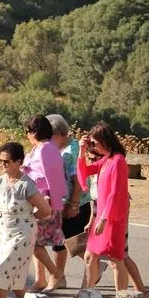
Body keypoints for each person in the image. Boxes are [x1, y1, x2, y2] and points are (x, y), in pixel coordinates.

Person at [0, 142, 53, 298]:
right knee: (13, 277)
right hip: (3, 233)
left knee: (2, 270)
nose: (2, 164)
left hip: (21, 234)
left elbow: (46, 210)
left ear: (18, 162)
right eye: (0, 160)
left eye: (6, 161)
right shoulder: (0, 181)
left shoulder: (26, 185)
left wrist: (30, 217)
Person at [77, 123, 130, 294]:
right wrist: (82, 151)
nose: (93, 147)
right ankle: (87, 296)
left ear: (104, 140)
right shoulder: (106, 159)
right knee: (90, 255)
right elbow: (85, 171)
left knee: (116, 260)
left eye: (94, 143)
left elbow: (115, 193)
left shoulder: (118, 160)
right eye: (91, 144)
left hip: (112, 217)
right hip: (102, 215)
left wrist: (103, 218)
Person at [22, 115, 68, 293]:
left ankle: (55, 273)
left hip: (44, 203)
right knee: (34, 241)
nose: (26, 135)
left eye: (28, 131)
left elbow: (53, 178)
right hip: (36, 201)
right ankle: (42, 279)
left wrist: (51, 205)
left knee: (33, 241)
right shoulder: (38, 149)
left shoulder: (46, 149)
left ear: (34, 131)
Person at [46, 114, 90, 278]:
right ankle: (58, 277)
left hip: (75, 204)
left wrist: (73, 204)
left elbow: (78, 179)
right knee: (60, 242)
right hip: (63, 203)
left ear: (57, 134)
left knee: (73, 242)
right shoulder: (60, 147)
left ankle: (95, 265)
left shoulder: (71, 152)